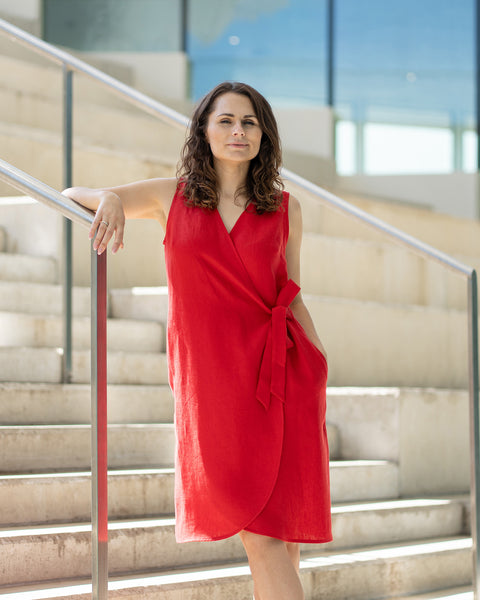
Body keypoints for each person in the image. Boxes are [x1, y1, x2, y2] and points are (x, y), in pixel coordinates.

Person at [63, 81, 331, 600]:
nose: (238, 131)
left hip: (285, 377)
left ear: (263, 135)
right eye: (226, 120)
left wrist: (318, 364)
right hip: (215, 390)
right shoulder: (172, 196)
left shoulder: (286, 208)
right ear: (204, 130)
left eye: (249, 122)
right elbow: (75, 194)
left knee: (279, 542)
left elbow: (291, 294)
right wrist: (114, 200)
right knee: (265, 540)